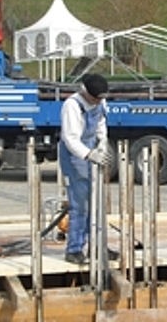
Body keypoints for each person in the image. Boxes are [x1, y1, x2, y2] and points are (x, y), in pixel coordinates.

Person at [59, 73, 112, 265]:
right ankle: (74, 249)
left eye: (101, 98)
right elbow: (70, 139)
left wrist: (102, 145)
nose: (99, 101)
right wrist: (88, 154)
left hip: (92, 150)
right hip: (75, 155)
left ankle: (98, 245)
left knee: (97, 202)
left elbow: (101, 125)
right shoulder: (72, 106)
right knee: (80, 204)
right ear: (86, 92)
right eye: (96, 98)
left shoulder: (100, 102)